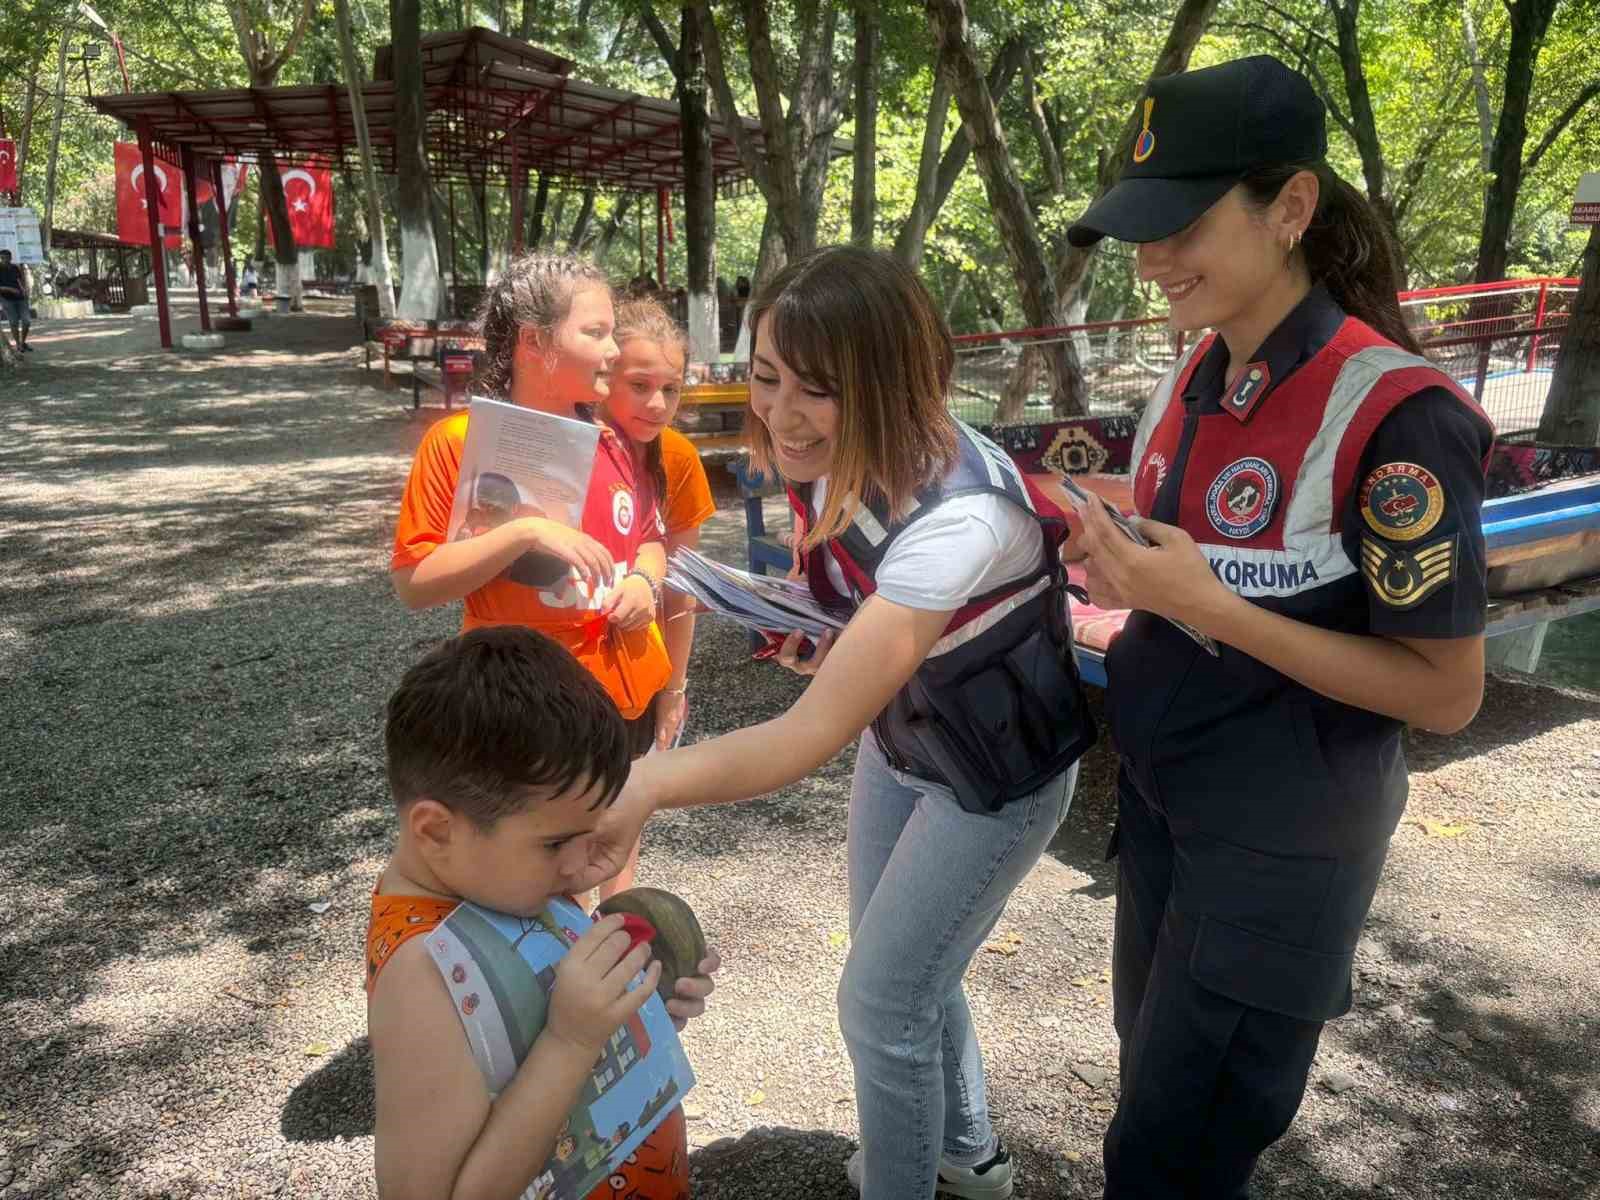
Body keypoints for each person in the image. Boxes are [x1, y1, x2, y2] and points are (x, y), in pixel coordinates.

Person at [572, 246, 1098, 1199]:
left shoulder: (965, 518)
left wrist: (641, 782)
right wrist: (810, 626)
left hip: (996, 780)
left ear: (893, 385)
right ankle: (969, 1155)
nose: (780, 414)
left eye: (819, 391)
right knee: (909, 963)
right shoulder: (833, 455)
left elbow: (801, 738)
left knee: (882, 1003)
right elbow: (855, 607)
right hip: (906, 741)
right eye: (767, 379)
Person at [1062, 55, 1495, 1199]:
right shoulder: (1198, 372)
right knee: (1151, 1112)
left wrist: (1207, 608)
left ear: (1290, 208)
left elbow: (1446, 694)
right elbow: (1178, 539)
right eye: (1141, 229)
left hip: (1276, 856)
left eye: (1181, 225)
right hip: (1162, 815)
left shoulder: (1395, 416)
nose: (1152, 260)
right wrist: (1093, 536)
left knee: (1171, 1157)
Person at [366, 625, 720, 1200]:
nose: (587, 863)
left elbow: (518, 1029)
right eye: (558, 843)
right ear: (436, 831)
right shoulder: (422, 974)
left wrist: (636, 1007)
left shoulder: (500, 880)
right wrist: (573, 1039)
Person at [391, 252, 674, 755]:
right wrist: (525, 532)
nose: (613, 349)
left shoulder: (615, 439)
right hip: (521, 704)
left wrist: (643, 582)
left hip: (626, 692)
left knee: (620, 832)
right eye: (595, 332)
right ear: (533, 340)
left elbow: (650, 538)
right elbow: (414, 585)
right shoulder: (458, 442)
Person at [593, 296, 716, 899]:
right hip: (565, 674)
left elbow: (681, 588)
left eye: (670, 388)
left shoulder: (680, 460)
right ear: (604, 377)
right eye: (639, 385)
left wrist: (675, 689)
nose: (657, 404)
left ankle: (616, 932)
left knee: (623, 818)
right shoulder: (575, 448)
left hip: (639, 677)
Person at [0, 249, 32, 353]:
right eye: (3, 258)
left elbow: (20, 280)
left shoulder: (15, 268)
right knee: (13, 322)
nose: (5, 260)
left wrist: (24, 289)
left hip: (21, 298)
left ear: (10, 258)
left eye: (7, 258)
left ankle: (23, 342)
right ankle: (18, 344)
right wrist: (9, 289)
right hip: (7, 299)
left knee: (26, 321)